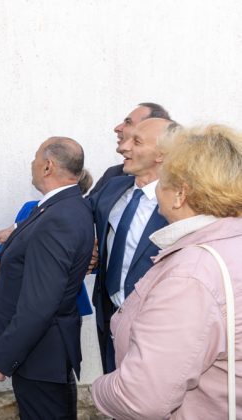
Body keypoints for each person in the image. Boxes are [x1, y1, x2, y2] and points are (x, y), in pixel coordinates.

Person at [92, 124, 242, 419]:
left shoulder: (190, 275)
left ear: (180, 194)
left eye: (163, 179)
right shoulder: (230, 242)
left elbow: (139, 398)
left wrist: (99, 388)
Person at [0, 137, 94, 419]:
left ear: (48, 166)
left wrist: (3, 357)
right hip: (40, 354)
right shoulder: (58, 208)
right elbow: (39, 275)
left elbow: (41, 303)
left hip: (41, 355)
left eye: (35, 157)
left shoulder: (59, 217)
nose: (31, 163)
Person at [0, 103, 170, 244]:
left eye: (129, 123)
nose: (118, 128)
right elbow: (78, 211)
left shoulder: (180, 198)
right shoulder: (114, 179)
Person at [88, 118, 175, 373]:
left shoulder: (183, 203)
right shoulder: (113, 188)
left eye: (136, 141)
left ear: (162, 154)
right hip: (109, 314)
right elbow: (71, 216)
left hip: (156, 327)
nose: (122, 148)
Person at [88, 102, 171, 196]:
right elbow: (87, 205)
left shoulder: (178, 194)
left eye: (128, 123)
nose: (117, 128)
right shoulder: (113, 175)